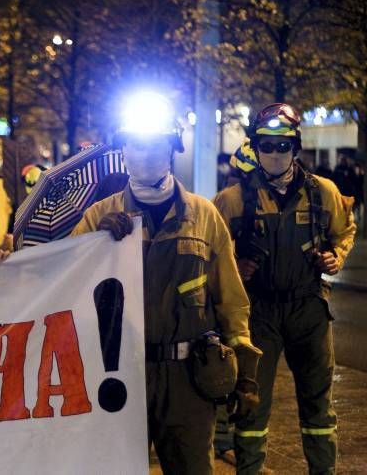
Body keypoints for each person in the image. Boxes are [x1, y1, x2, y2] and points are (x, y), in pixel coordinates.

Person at [71, 92, 259, 474]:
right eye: (136, 145)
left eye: (156, 145)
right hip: (120, 374)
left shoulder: (203, 215)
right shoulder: (98, 217)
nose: (145, 154)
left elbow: (231, 300)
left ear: (171, 149)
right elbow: (65, 283)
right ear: (124, 150)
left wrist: (245, 370)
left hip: (188, 382)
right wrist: (92, 246)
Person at [213, 103, 355, 474]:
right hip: (257, 312)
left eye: (283, 146)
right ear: (256, 148)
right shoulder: (232, 201)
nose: (275, 154)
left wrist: (336, 257)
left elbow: (345, 230)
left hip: (308, 309)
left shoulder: (324, 193)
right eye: (267, 145)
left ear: (296, 147)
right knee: (250, 403)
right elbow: (210, 251)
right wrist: (234, 269)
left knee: (318, 405)